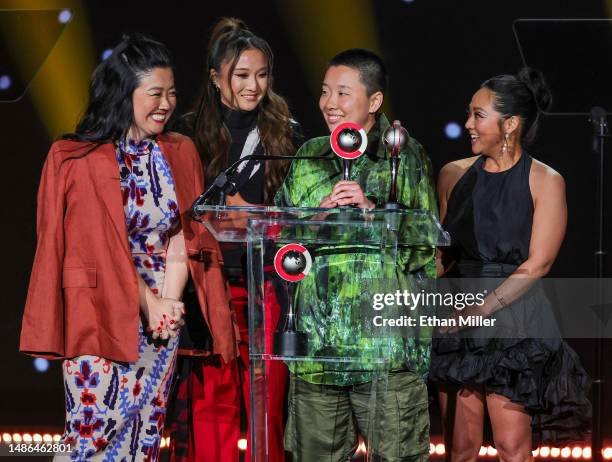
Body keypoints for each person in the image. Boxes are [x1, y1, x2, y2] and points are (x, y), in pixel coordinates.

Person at [18, 34, 223, 461]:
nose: (165, 104)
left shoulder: (179, 151)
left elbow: (184, 234)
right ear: (123, 93)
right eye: (154, 94)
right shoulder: (76, 157)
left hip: (163, 316)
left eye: (171, 93)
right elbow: (93, 246)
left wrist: (167, 301)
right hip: (98, 311)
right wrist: (148, 302)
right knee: (92, 433)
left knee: (145, 432)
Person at [274, 48, 437, 462]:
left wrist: (374, 211)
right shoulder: (309, 156)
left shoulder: (405, 156)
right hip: (318, 352)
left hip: (386, 354)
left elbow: (425, 245)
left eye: (343, 93)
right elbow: (278, 237)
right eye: (326, 92)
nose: (330, 103)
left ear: (374, 101)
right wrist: (316, 217)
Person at [430, 68, 591, 461]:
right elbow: (441, 255)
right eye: (469, 113)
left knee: (511, 446)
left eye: (478, 115)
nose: (468, 124)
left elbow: (538, 264)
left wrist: (479, 311)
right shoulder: (453, 174)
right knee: (460, 448)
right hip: (457, 315)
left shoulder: (545, 180)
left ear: (510, 124)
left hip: (515, 318)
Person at [170, 17, 300, 462]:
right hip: (209, 289)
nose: (254, 86)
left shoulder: (285, 133)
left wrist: (258, 217)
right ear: (214, 76)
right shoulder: (186, 135)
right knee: (211, 415)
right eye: (242, 75)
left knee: (268, 412)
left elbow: (295, 215)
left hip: (267, 287)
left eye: (262, 75)